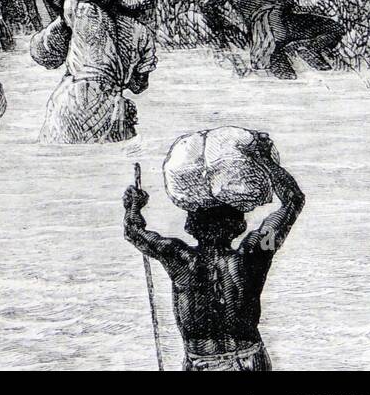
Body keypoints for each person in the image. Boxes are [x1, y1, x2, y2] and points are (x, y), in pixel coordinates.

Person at [123, 136, 305, 371]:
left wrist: (134, 206)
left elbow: (133, 232)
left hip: (201, 363)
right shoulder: (255, 252)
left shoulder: (178, 258)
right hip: (249, 361)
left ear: (191, 226)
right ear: (238, 224)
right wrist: (264, 160)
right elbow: (293, 200)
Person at [29, 0, 175, 143]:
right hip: (113, 107)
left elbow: (43, 54)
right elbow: (138, 86)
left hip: (73, 99)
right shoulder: (142, 33)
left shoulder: (84, 11)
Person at [200, 0, 343, 79]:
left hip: (259, 36)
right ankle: (308, 47)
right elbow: (289, 4)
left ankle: (293, 51)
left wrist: (225, 29)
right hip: (285, 26)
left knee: (285, 79)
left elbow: (206, 4)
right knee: (335, 28)